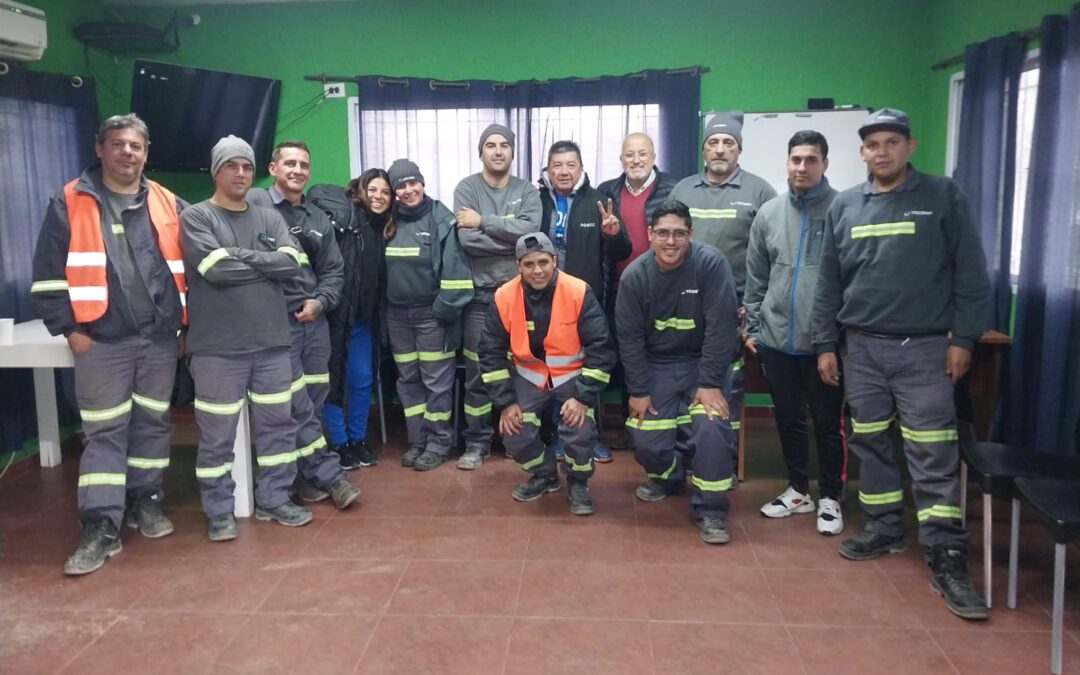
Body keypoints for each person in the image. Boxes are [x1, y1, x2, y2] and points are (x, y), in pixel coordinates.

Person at [812, 108, 991, 620]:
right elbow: (829, 283)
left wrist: (965, 338)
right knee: (870, 441)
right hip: (861, 348)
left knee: (932, 450)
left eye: (892, 142)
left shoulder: (941, 197)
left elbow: (971, 272)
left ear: (908, 146)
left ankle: (946, 553)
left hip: (927, 348)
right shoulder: (845, 205)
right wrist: (827, 344)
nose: (882, 151)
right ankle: (884, 527)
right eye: (873, 144)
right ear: (862, 152)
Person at [32, 113, 186, 575]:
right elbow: (46, 274)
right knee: (104, 433)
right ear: (100, 149)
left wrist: (185, 325)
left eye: (136, 146)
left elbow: (189, 269)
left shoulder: (167, 201)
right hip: (101, 340)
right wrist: (69, 329)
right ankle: (100, 525)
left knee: (152, 425)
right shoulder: (70, 200)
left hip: (159, 338)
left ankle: (146, 501)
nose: (127, 153)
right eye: (118, 144)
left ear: (146, 153)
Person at [180, 135, 312, 541]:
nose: (240, 173)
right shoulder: (197, 217)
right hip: (217, 349)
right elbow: (214, 270)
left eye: (246, 167)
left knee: (278, 428)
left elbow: (295, 262)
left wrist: (239, 255)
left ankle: (274, 499)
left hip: (272, 344)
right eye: (231, 165)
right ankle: (219, 510)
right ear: (216, 170)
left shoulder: (268, 216)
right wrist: (267, 263)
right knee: (217, 436)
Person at [616, 199, 740, 544]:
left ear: (691, 234)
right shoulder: (635, 276)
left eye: (679, 234)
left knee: (712, 428)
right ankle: (670, 477)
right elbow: (629, 339)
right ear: (651, 234)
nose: (671, 242)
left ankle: (712, 510)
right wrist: (638, 391)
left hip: (704, 363)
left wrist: (711, 382)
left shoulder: (710, 264)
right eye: (664, 233)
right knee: (643, 433)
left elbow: (721, 326)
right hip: (657, 366)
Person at [247, 141, 360, 510]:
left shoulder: (316, 218)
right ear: (273, 167)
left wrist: (321, 301)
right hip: (275, 325)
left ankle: (301, 475)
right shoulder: (254, 206)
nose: (297, 170)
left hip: (314, 323)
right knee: (291, 405)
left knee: (313, 399)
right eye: (290, 163)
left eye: (303, 165)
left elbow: (333, 270)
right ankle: (327, 475)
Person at [744, 130, 846, 535]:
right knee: (788, 420)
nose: (802, 167)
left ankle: (832, 497)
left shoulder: (843, 209)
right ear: (786, 163)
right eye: (796, 159)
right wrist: (753, 326)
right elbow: (755, 278)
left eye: (811, 159)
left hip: (824, 345)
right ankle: (798, 489)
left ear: (825, 163)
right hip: (776, 341)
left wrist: (834, 340)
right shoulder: (769, 213)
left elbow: (848, 280)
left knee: (827, 423)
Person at [670, 112, 777, 476]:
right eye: (713, 142)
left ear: (739, 149)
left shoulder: (760, 192)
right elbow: (668, 246)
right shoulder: (682, 190)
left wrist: (754, 310)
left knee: (725, 387)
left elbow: (769, 257)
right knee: (685, 382)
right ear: (703, 149)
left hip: (735, 309)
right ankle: (685, 458)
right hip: (685, 306)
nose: (720, 149)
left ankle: (723, 464)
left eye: (728, 143)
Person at [478, 232, 615, 514]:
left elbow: (602, 348)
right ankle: (545, 474)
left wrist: (583, 397)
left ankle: (578, 482)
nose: (537, 270)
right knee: (513, 432)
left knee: (579, 428)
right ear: (518, 266)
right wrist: (506, 402)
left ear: (555, 260)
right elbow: (489, 353)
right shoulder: (503, 296)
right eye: (529, 264)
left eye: (543, 262)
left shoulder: (578, 290)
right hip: (528, 377)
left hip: (571, 378)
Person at [453, 124, 542, 470]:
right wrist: (511, 239)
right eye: (490, 145)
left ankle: (516, 440)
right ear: (481, 152)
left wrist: (484, 222)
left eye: (504, 145)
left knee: (521, 370)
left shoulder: (527, 191)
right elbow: (468, 241)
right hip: (479, 299)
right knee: (478, 371)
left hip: (521, 299)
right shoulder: (467, 188)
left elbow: (532, 235)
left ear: (512, 151)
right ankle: (476, 442)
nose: (498, 151)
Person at [538, 140, 630, 462]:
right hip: (540, 302)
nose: (563, 171)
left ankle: (587, 437)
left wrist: (612, 233)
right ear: (548, 169)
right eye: (557, 165)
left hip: (584, 303)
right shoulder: (537, 202)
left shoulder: (599, 201)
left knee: (588, 369)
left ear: (580, 167)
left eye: (570, 165)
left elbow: (621, 252)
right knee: (549, 369)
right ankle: (556, 436)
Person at [383, 158, 474, 471]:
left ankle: (438, 443)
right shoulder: (388, 220)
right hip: (396, 318)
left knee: (436, 383)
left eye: (413, 183)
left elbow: (458, 278)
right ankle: (418, 441)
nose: (408, 190)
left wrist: (439, 313)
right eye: (401, 186)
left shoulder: (442, 219)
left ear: (422, 183)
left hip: (432, 317)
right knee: (408, 381)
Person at [312, 169, 392, 469]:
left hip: (362, 321)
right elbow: (319, 190)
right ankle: (339, 442)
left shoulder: (383, 229)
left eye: (385, 192)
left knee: (361, 379)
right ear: (360, 189)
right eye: (373, 189)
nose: (378, 196)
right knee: (334, 380)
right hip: (334, 318)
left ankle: (357, 440)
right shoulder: (345, 220)